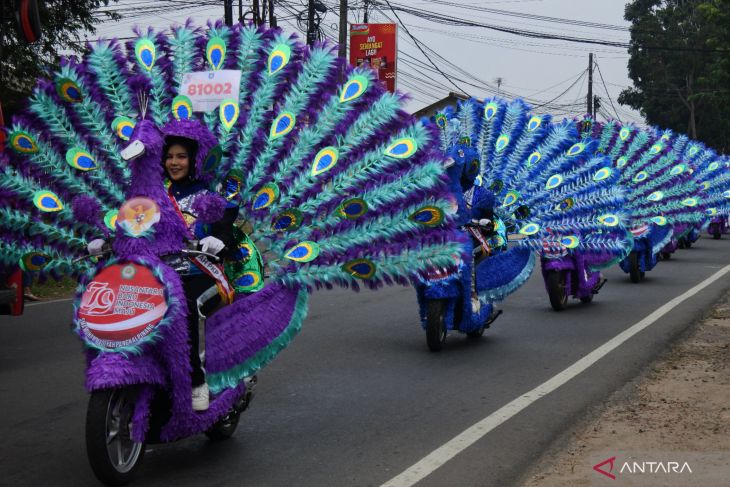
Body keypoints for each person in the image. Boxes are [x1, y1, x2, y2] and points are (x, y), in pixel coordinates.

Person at [162, 136, 238, 411]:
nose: (174, 162)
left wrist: (219, 241)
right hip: (158, 275)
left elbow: (226, 232)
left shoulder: (211, 195)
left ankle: (197, 382)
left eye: (181, 156)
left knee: (187, 305)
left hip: (202, 273)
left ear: (194, 160)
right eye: (170, 156)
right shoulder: (154, 195)